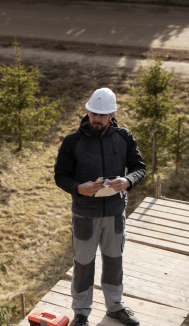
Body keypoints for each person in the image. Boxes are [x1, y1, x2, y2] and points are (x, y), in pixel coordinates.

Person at [54, 88, 146, 326]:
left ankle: (115, 307)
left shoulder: (124, 137)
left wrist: (128, 181)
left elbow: (139, 168)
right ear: (87, 111)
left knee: (114, 262)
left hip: (115, 213)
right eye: (93, 113)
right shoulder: (72, 141)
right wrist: (78, 188)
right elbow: (60, 176)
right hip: (85, 215)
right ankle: (81, 313)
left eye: (101, 115)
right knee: (83, 265)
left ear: (112, 115)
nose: (96, 119)